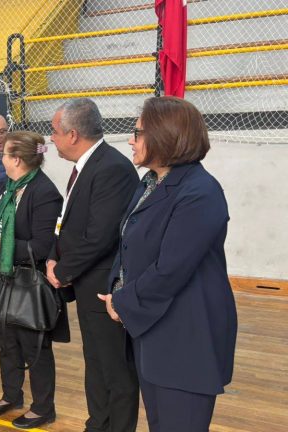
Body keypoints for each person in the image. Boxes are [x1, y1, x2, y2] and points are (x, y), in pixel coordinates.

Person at [99, 97, 237, 432]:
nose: (130, 140)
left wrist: (122, 302)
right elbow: (127, 242)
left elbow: (170, 269)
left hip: (186, 336)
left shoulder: (200, 192)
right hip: (152, 329)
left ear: (165, 135)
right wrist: (116, 287)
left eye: (137, 133)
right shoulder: (151, 183)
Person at [45, 98, 140, 432]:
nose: (51, 138)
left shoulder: (111, 168)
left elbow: (100, 236)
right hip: (87, 284)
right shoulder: (88, 165)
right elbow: (69, 222)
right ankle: (97, 424)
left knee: (115, 369)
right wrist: (55, 256)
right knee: (96, 363)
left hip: (104, 287)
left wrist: (62, 271)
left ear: (72, 134)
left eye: (54, 131)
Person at [0, 131, 67, 429]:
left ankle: (43, 408)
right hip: (3, 278)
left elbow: (43, 246)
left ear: (17, 160)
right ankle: (11, 395)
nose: (0, 157)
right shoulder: (9, 186)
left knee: (34, 347)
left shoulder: (44, 192)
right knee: (7, 342)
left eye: (4, 154)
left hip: (29, 281)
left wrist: (1, 245)